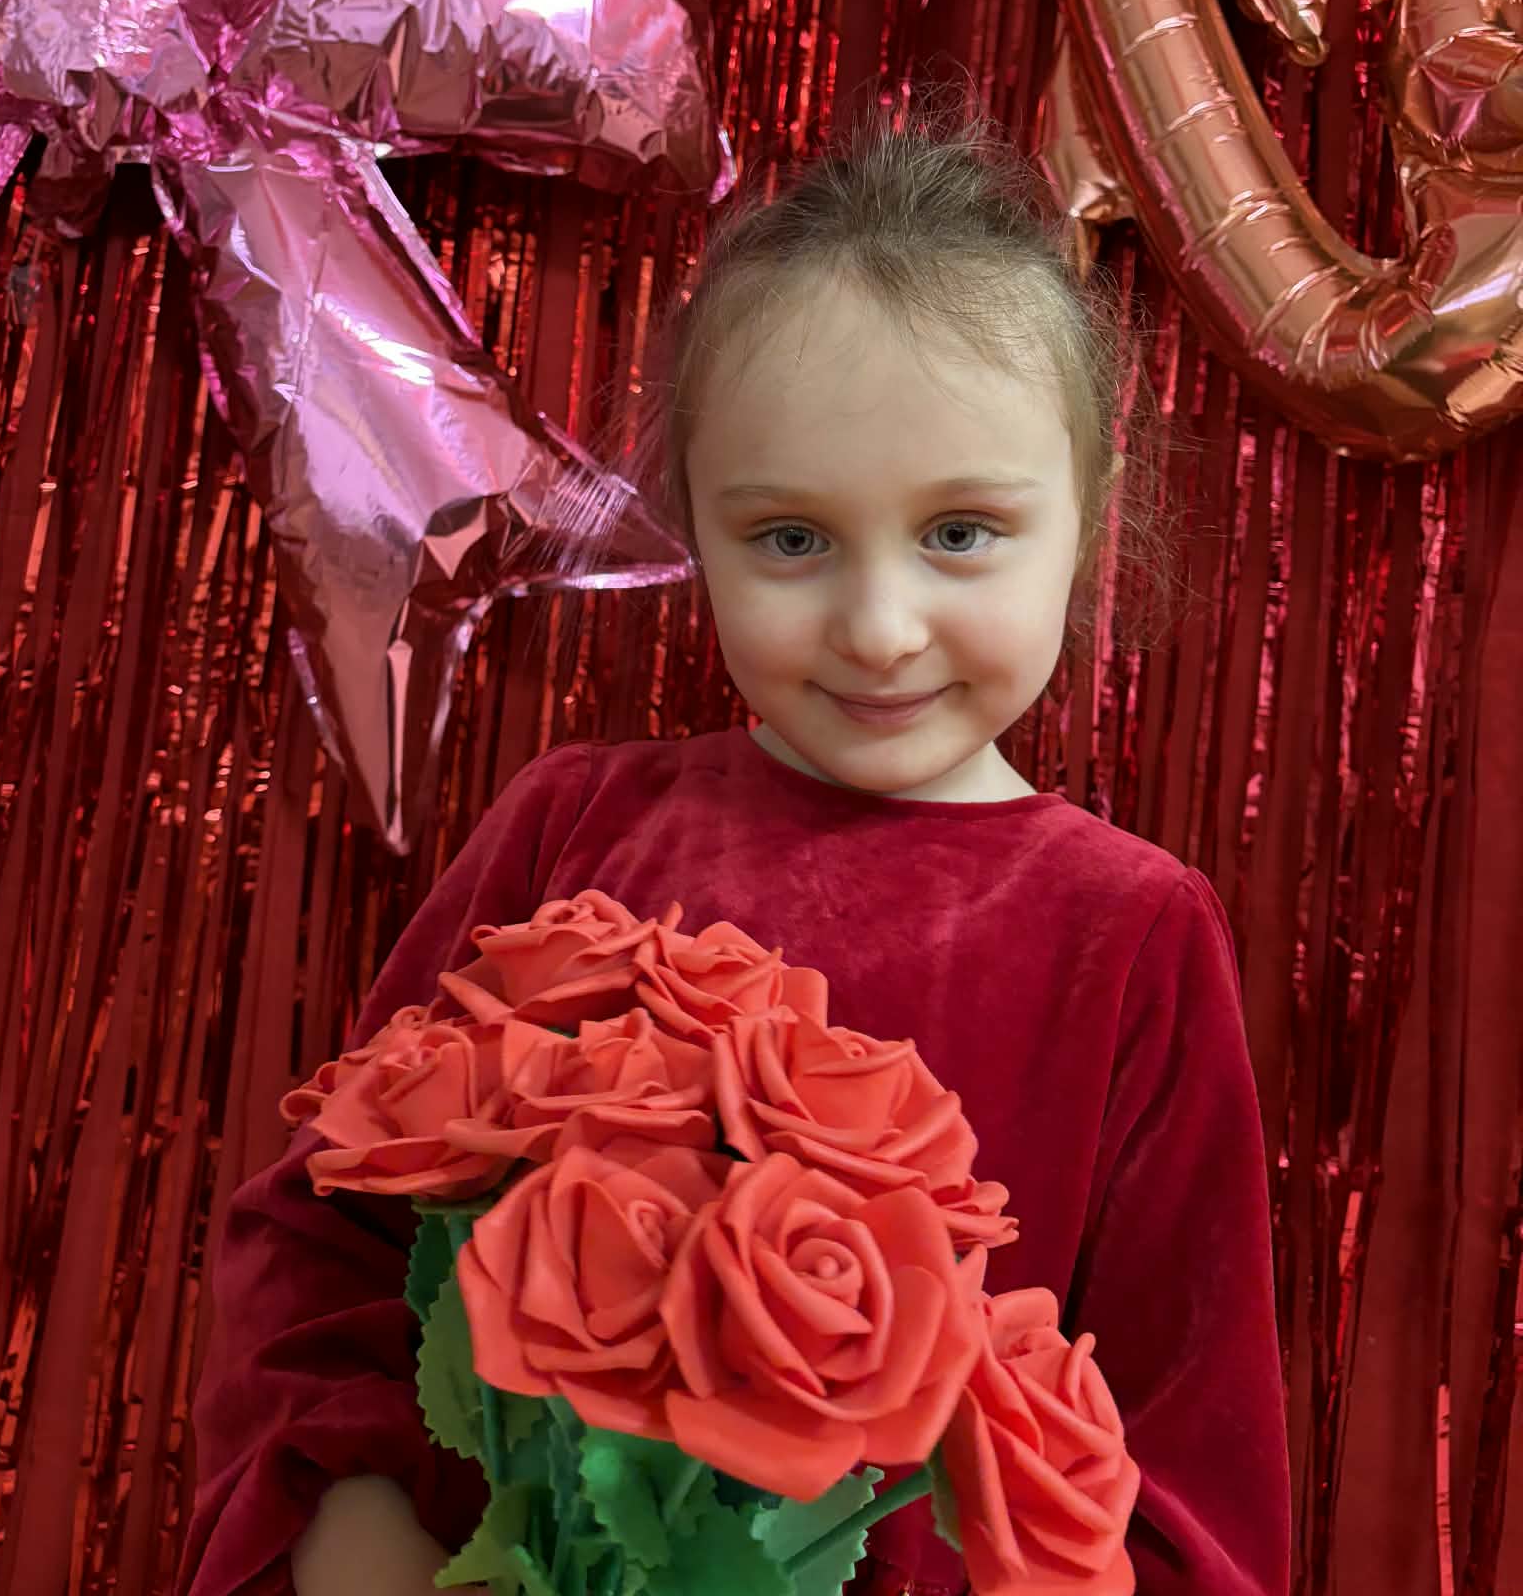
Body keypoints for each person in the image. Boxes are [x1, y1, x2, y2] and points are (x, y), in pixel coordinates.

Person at [178, 110, 1292, 1596]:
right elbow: (324, 1241)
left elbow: (1186, 1460)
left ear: (1086, 525)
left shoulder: (1133, 932)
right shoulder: (575, 827)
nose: (880, 628)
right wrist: (350, 1518)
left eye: (963, 533)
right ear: (696, 529)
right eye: (791, 541)